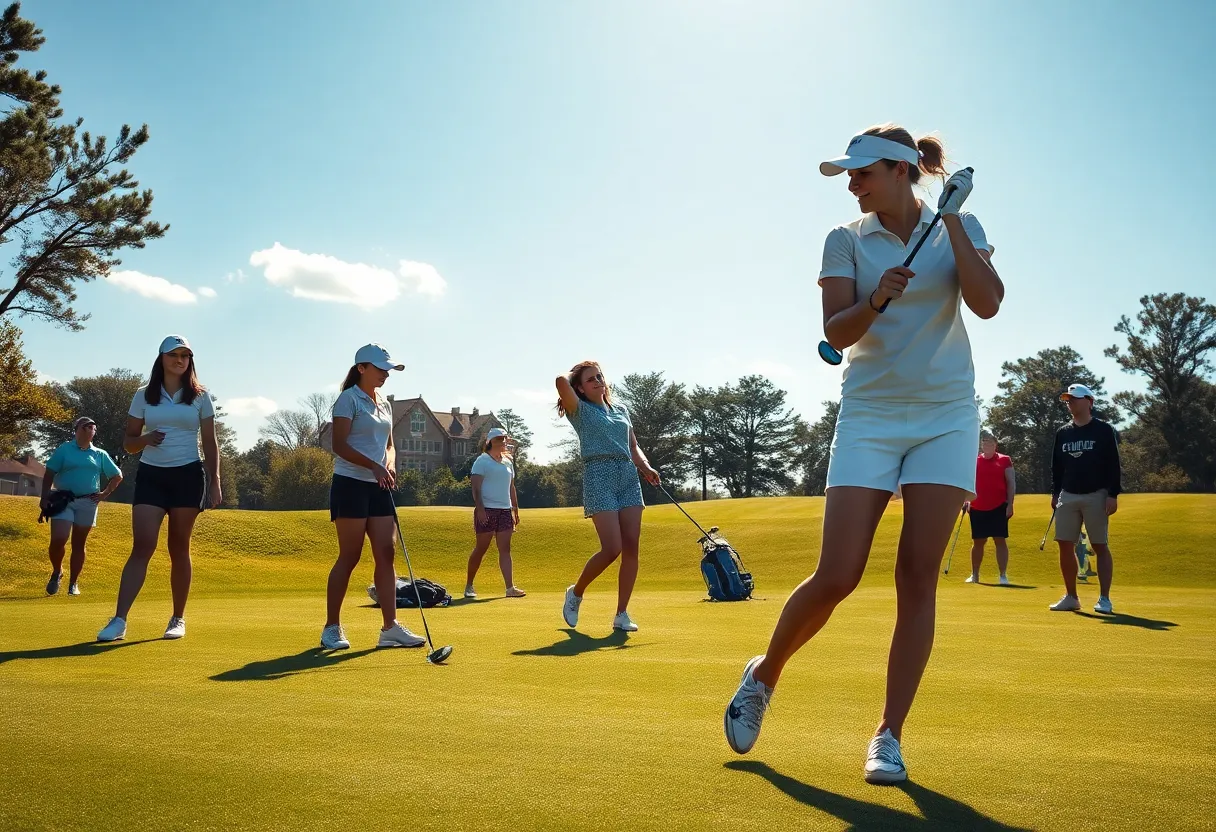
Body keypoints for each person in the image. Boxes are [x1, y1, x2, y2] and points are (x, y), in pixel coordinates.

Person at [723, 124, 1003, 784]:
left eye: (862, 172)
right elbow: (837, 332)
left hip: (946, 416)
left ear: (903, 171)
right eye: (848, 175)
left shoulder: (958, 223)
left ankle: (889, 735)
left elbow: (987, 305)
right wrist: (877, 297)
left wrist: (956, 223)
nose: (851, 184)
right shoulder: (845, 239)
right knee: (838, 574)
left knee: (917, 579)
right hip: (871, 415)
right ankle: (764, 674)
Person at [98, 336, 223, 642]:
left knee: (178, 548)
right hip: (152, 476)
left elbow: (210, 442)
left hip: (188, 477)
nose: (180, 360)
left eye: (185, 355)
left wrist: (216, 480)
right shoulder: (143, 395)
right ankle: (119, 620)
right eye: (174, 355)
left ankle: (177, 618)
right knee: (142, 546)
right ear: (162, 358)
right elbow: (128, 442)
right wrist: (145, 439)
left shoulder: (200, 396)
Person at [320, 344, 425, 650]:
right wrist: (374, 466)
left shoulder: (385, 403)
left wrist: (389, 464)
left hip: (379, 486)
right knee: (349, 556)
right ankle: (332, 627)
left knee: (386, 553)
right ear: (362, 368)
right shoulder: (348, 399)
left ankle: (390, 628)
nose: (385, 374)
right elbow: (339, 445)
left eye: (387, 369)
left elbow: (390, 444)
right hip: (350, 483)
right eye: (380, 369)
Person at [556, 360, 660, 633]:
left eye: (600, 376)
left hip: (627, 475)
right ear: (579, 387)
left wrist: (645, 467)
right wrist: (578, 371)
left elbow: (633, 446)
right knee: (612, 548)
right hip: (598, 474)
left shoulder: (621, 410)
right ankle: (576, 593)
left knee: (631, 547)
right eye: (591, 379)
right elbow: (560, 381)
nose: (599, 381)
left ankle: (621, 613)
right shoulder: (579, 410)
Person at [1049, 383, 1122, 614]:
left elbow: (1113, 464)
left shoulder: (1103, 430)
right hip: (1068, 495)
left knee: (1100, 545)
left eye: (1075, 398)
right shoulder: (1063, 432)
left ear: (1089, 402)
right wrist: (1055, 493)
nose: (1070, 402)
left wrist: (1112, 494)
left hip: (1096, 494)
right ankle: (1071, 596)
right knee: (1064, 544)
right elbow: (1057, 468)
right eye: (1068, 399)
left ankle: (1104, 599)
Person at [40, 416, 123, 597]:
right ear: (76, 429)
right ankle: (57, 571)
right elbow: (49, 473)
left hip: (88, 502)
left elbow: (117, 476)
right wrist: (44, 496)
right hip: (64, 500)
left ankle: (73, 583)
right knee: (58, 539)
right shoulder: (64, 449)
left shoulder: (99, 454)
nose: (90, 429)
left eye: (93, 427)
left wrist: (104, 494)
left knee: (79, 544)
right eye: (86, 426)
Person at [465, 427, 525, 599]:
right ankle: (469, 585)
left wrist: (515, 508)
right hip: (487, 510)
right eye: (499, 439)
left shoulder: (508, 462)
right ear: (490, 442)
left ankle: (509, 588)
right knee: (481, 548)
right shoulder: (482, 461)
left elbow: (511, 487)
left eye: (504, 439)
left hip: (505, 510)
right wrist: (481, 509)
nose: (503, 442)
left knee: (505, 549)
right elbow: (476, 488)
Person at [962, 431, 1015, 585]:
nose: (987, 445)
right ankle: (975, 575)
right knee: (978, 541)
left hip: (999, 506)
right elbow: (968, 481)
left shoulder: (1005, 460)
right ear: (981, 444)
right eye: (984, 442)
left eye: (990, 442)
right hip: (977, 506)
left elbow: (1011, 482)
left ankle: (1003, 575)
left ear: (995, 445)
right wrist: (966, 500)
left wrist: (1010, 503)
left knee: (1000, 540)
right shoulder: (975, 460)